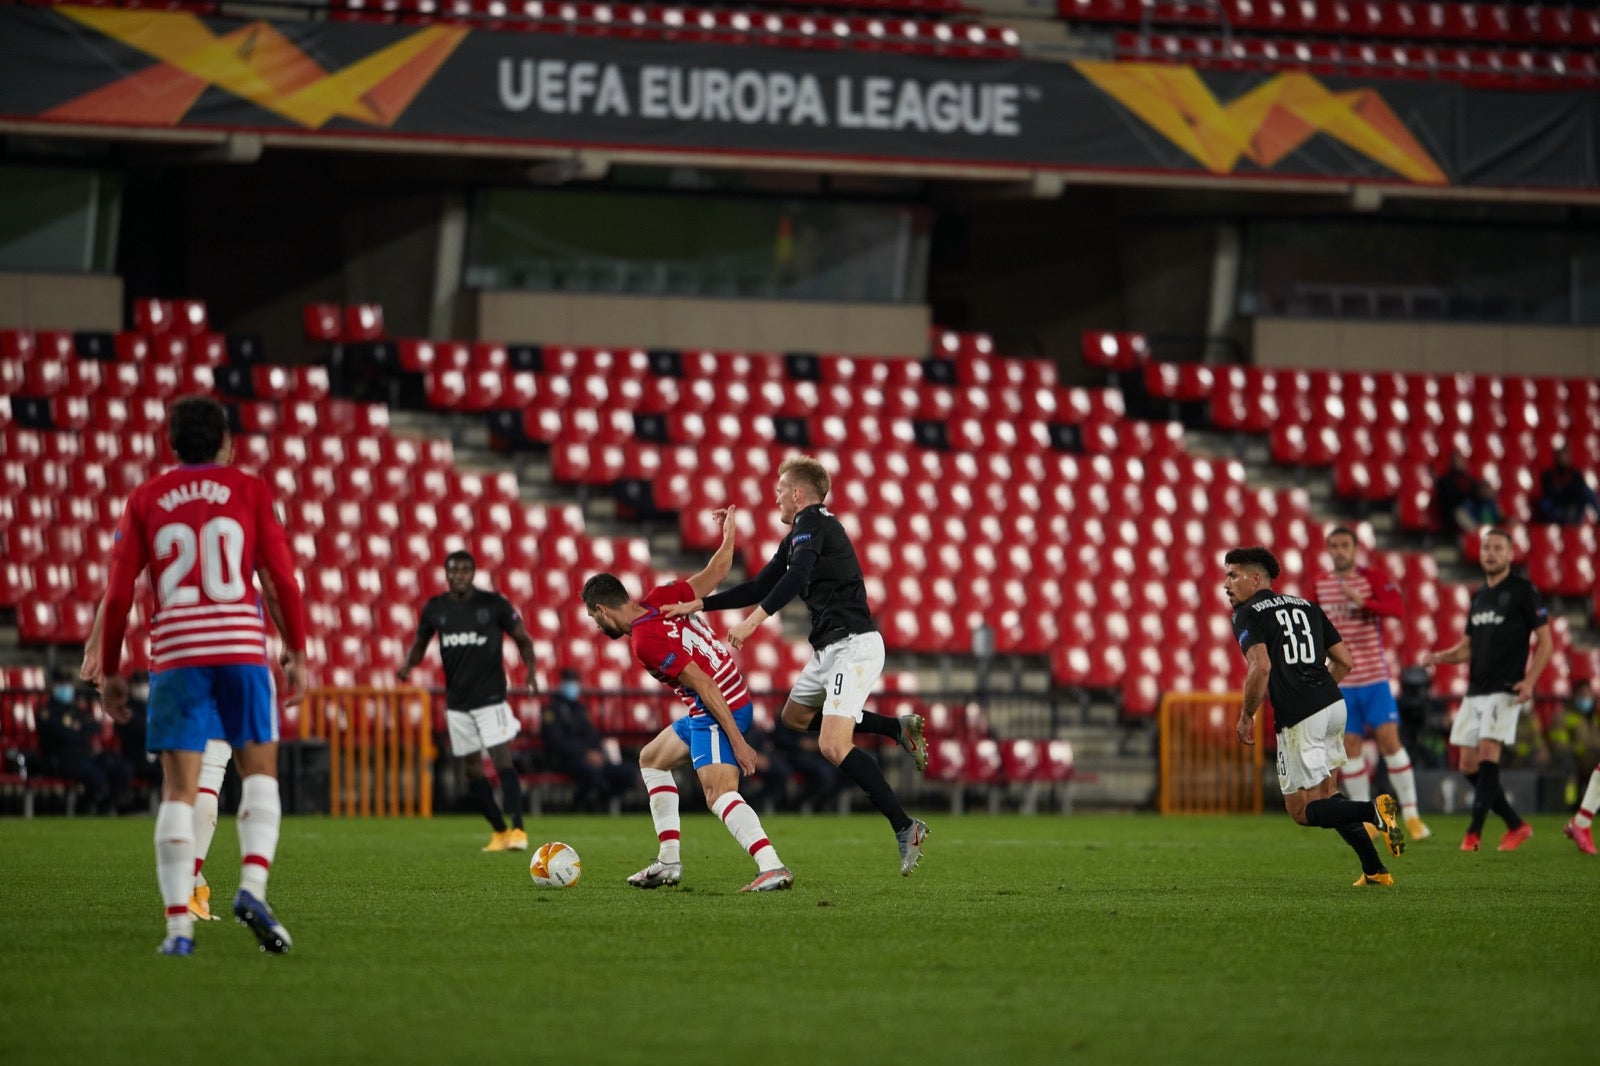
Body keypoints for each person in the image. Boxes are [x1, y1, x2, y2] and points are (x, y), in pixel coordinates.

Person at [98, 394, 309, 956]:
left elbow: (119, 592)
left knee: (180, 789)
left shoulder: (146, 497)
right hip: (239, 648)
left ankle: (179, 928)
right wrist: (298, 650)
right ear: (225, 442)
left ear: (171, 444)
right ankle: (253, 887)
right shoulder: (249, 490)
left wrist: (113, 666)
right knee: (259, 772)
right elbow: (281, 580)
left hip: (178, 653)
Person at [662, 455, 930, 875]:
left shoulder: (815, 525)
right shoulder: (798, 536)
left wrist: (752, 622)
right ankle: (896, 728)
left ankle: (905, 827)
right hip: (827, 650)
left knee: (832, 746)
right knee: (795, 718)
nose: (776, 499)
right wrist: (701, 604)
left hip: (855, 646)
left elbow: (795, 579)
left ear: (799, 493)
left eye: (780, 491)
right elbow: (760, 584)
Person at [581, 505, 794, 892]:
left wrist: (738, 740)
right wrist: (729, 536)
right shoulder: (661, 598)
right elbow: (717, 573)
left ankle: (772, 865)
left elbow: (703, 684)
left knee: (718, 793)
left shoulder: (645, 641)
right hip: (723, 700)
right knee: (651, 759)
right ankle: (668, 862)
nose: (598, 626)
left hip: (716, 708)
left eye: (596, 620)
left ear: (601, 610)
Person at [1226, 545, 1405, 887]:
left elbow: (1260, 666)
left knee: (1301, 811)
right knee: (1329, 795)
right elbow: (1345, 661)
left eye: (1233, 575)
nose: (1226, 584)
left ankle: (1375, 812)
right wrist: (1319, 694)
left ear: (1255, 578)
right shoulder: (1307, 606)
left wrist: (1247, 714)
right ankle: (1375, 870)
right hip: (1333, 706)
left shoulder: (1247, 613)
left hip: (1300, 716)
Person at [1422, 527, 1552, 852]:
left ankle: (1473, 834)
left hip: (1504, 689)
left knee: (1487, 755)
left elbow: (1546, 641)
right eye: (1486, 548)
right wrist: (1442, 656)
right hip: (1475, 689)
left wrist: (1530, 682)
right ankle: (1515, 824)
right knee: (1467, 766)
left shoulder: (1523, 591)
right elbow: (1467, 647)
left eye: (1497, 548)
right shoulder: (1479, 596)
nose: (1490, 553)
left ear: (1510, 554)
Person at [398, 550, 537, 852]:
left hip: (491, 699)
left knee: (502, 760)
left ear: (473, 574)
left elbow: (523, 639)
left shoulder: (493, 604)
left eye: (464, 570)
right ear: (446, 575)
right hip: (458, 702)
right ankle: (499, 831)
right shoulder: (436, 609)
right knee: (472, 771)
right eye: (453, 570)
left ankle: (518, 830)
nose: (459, 575)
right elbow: (420, 643)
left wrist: (531, 671)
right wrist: (409, 665)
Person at [1313, 527, 1431, 841]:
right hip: (1342, 680)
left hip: (1375, 678)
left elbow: (1396, 609)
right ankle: (1370, 817)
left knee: (1389, 742)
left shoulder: (1372, 578)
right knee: (1349, 749)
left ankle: (1412, 815)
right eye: (1333, 546)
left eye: (1344, 545)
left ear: (1355, 549)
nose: (1339, 551)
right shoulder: (1322, 585)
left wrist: (1363, 602)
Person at [36, 669, 131, 815]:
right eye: (61, 684)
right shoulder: (47, 712)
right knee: (97, 777)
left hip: (83, 756)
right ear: (53, 686)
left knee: (120, 768)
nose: (66, 688)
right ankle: (83, 808)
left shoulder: (74, 709)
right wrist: (79, 732)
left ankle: (107, 807)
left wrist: (78, 730)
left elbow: (94, 726)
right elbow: (64, 735)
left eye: (68, 683)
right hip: (62, 759)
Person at [540, 667, 634, 812]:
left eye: (575, 682)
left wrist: (597, 753)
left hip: (591, 758)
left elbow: (592, 736)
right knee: (593, 775)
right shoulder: (552, 710)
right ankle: (576, 807)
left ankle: (598, 802)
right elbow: (556, 742)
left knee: (628, 774)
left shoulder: (581, 709)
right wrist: (585, 754)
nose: (573, 686)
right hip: (566, 760)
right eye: (569, 682)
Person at [1546, 677, 1599, 809]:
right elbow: (1559, 745)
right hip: (1572, 757)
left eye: (1588, 695)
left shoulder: (1594, 717)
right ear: (1574, 696)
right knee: (1570, 765)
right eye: (1582, 695)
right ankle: (1571, 804)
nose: (1586, 698)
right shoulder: (1563, 716)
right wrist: (1579, 749)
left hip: (1591, 757)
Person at [1533, 444, 1600, 525]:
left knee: (1586, 491)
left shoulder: (1575, 474)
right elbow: (1550, 494)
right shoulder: (1548, 475)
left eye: (1565, 455)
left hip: (1572, 510)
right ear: (1556, 457)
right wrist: (1566, 491)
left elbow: (1579, 492)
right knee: (1545, 504)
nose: (1563, 458)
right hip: (1556, 509)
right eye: (1561, 455)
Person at [1433, 450, 1480, 533]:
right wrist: (1465, 496)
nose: (1459, 463)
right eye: (1456, 460)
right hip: (1454, 513)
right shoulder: (1445, 481)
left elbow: (1477, 495)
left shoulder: (1470, 480)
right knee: (1460, 513)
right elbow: (1449, 501)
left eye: (1461, 460)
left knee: (1487, 505)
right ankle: (1476, 534)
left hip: (1471, 510)